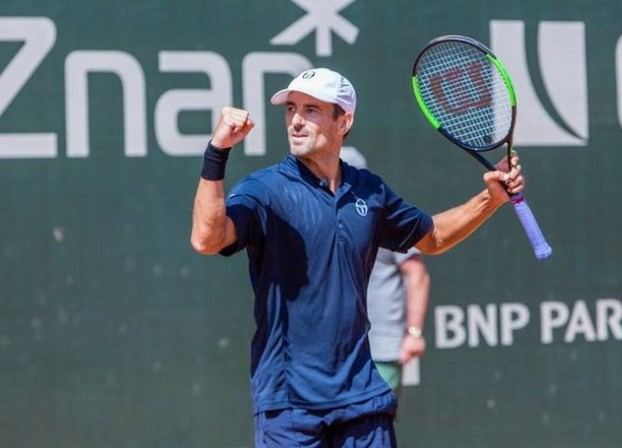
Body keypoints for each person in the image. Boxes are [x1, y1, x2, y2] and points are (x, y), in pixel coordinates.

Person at [190, 67, 525, 447]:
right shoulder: (264, 190)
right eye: (291, 110)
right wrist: (216, 154)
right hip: (291, 404)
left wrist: (490, 199)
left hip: (362, 398)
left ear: (343, 121)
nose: (296, 121)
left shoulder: (369, 190)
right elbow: (207, 239)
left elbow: (432, 237)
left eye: (312, 110)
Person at [340, 147, 430, 396]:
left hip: (380, 347)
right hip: (332, 353)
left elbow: (416, 274)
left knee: (374, 428)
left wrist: (414, 333)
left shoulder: (382, 216)